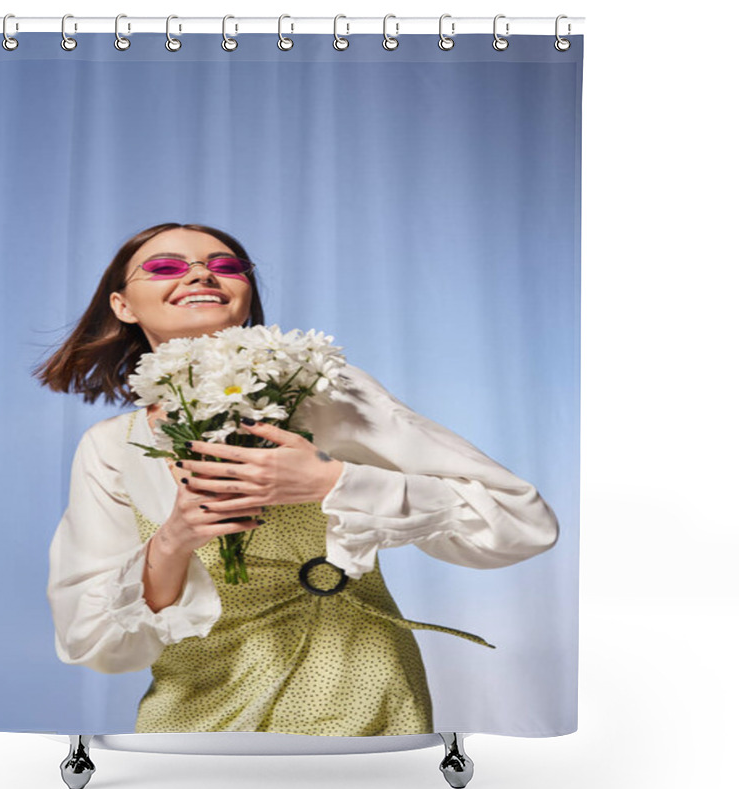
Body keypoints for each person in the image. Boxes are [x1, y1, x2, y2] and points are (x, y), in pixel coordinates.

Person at [39, 221, 560, 736]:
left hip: (356, 692)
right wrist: (174, 539)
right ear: (122, 306)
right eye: (166, 267)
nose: (200, 275)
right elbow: (93, 640)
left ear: (246, 297)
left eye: (225, 266)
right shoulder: (110, 447)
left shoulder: (328, 394)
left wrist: (334, 482)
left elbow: (523, 521)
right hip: (197, 709)